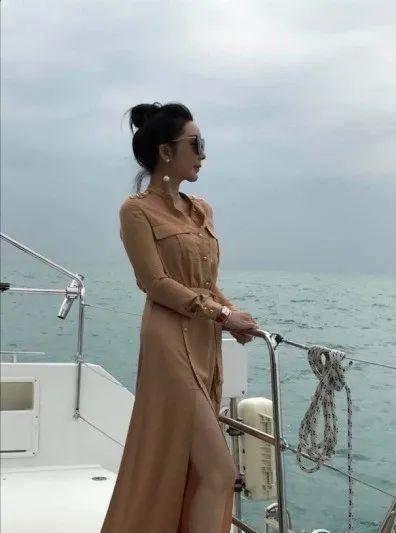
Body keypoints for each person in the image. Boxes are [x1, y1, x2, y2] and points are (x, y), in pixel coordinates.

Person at [101, 102, 259, 533]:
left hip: (204, 342)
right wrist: (222, 315)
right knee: (220, 470)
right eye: (196, 144)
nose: (203, 154)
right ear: (166, 152)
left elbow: (204, 282)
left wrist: (231, 312)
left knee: (198, 467)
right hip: (168, 342)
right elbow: (154, 282)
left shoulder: (201, 209)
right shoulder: (136, 211)